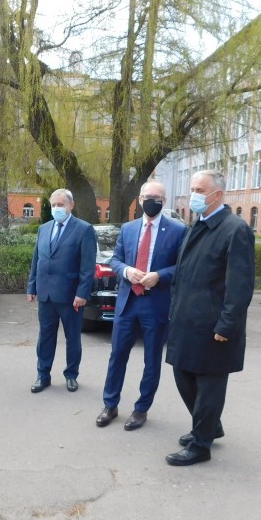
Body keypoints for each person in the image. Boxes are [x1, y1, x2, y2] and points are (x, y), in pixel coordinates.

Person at [164, 169, 255, 466]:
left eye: (200, 190)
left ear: (218, 194)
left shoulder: (234, 229)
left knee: (208, 386)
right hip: (186, 321)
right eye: (192, 189)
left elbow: (240, 286)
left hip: (213, 327)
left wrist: (227, 325)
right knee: (183, 376)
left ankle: (201, 445)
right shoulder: (196, 226)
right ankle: (209, 426)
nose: (194, 196)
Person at [95, 181, 187, 431]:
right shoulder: (128, 228)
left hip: (155, 304)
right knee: (117, 357)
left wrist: (159, 275)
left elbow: (182, 267)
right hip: (127, 303)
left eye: (157, 197)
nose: (151, 200)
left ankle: (141, 409)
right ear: (139, 198)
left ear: (164, 201)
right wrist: (125, 270)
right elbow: (115, 260)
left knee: (152, 360)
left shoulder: (178, 231)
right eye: (147, 196)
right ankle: (110, 405)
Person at [26, 189, 96, 393]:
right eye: (54, 205)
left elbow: (87, 266)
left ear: (71, 205)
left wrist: (82, 294)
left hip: (70, 297)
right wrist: (32, 286)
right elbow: (36, 260)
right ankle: (43, 375)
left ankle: (71, 374)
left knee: (72, 338)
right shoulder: (44, 228)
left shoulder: (84, 229)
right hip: (46, 295)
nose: (57, 208)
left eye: (61, 205)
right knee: (45, 337)